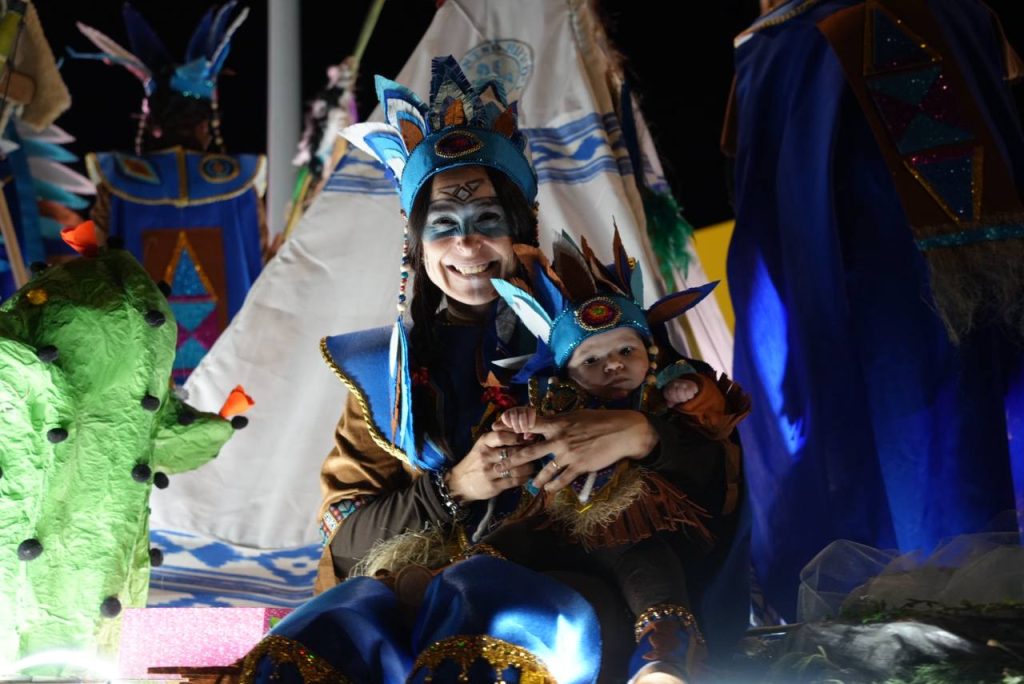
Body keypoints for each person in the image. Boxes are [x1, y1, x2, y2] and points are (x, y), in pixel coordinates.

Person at [309, 55, 743, 681]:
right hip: (419, 600)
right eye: (443, 226)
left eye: (488, 221)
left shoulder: (602, 331)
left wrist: (642, 435)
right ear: (416, 245)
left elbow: (718, 480)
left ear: (523, 226)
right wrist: (455, 486)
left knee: (502, 620)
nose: (467, 244)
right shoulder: (386, 375)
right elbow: (346, 536)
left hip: (570, 603)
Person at [724, 0, 1024, 621]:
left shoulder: (814, 36)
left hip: (907, 289)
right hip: (856, 293)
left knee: (928, 432)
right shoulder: (775, 46)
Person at [485, 231, 748, 682]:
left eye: (626, 351)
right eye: (591, 361)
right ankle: (442, 585)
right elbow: (521, 434)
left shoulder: (663, 391)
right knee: (503, 548)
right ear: (566, 374)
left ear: (650, 351)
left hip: (630, 519)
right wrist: (519, 421)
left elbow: (711, 432)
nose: (612, 365)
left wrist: (688, 392)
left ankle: (662, 657)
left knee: (651, 569)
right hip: (557, 521)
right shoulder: (557, 402)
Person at [72, 3, 269, 383]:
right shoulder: (239, 181)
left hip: (139, 372)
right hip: (232, 370)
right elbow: (263, 261)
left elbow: (92, 263)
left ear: (152, 122)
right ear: (207, 123)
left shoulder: (119, 180)